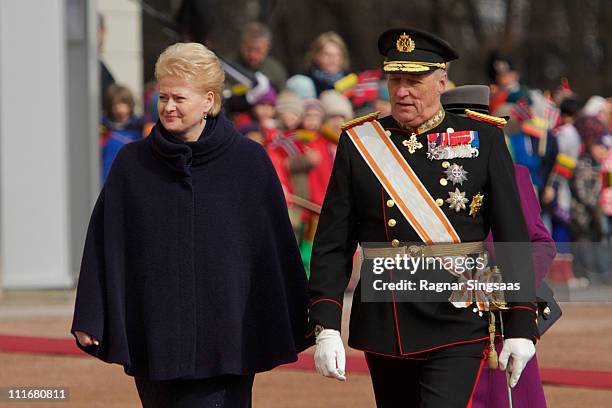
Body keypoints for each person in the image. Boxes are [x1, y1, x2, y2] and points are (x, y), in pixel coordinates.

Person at [308, 28, 538, 407]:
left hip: (458, 316)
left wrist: (521, 322)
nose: (401, 91)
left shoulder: (483, 138)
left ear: (441, 81)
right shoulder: (361, 142)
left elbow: (513, 232)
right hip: (388, 319)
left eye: (414, 81)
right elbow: (333, 242)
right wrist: (326, 324)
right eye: (395, 80)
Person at [71, 42, 309, 408]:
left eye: (179, 98)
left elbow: (275, 248)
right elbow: (105, 242)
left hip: (228, 341)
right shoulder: (131, 163)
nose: (168, 107)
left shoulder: (249, 163)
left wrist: (302, 315)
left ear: (209, 101)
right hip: (153, 334)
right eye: (163, 97)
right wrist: (91, 313)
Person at [442, 84, 556, 407]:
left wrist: (508, 285)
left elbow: (540, 243)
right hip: (444, 322)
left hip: (503, 321)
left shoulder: (515, 174)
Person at [100, 84, 144, 183]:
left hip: (132, 180)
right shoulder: (103, 130)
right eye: (115, 104)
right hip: (107, 181)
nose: (119, 109)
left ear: (130, 105)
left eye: (123, 103)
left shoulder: (139, 129)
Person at [304, 32, 351, 96]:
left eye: (338, 55)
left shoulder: (352, 80)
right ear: (316, 56)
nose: (333, 59)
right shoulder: (307, 81)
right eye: (327, 55)